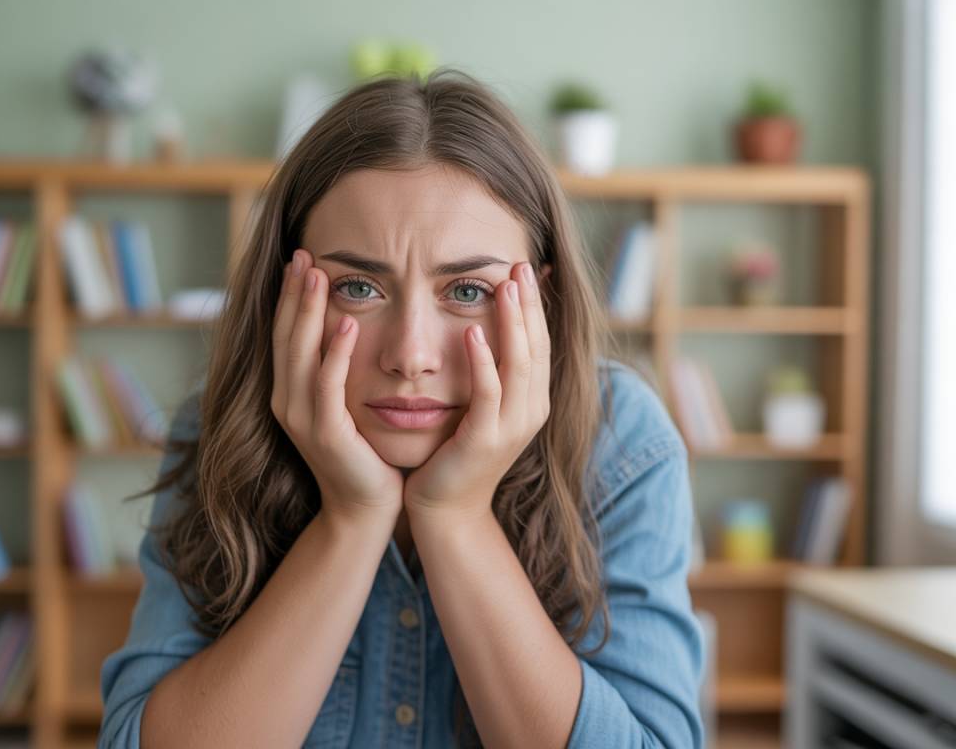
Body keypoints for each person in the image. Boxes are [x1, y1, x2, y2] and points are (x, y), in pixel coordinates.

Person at [99, 68, 705, 749]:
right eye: (358, 286)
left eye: (469, 291)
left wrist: (456, 517)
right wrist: (351, 519)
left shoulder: (622, 441)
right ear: (287, 294)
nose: (411, 355)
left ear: (541, 301)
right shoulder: (219, 429)